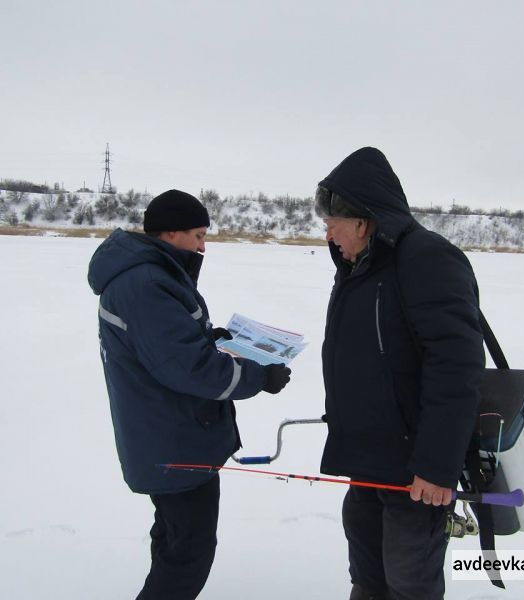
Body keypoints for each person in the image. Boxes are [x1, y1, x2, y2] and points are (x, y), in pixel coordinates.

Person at [87, 189, 291, 599]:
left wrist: (211, 339)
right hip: (174, 444)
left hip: (171, 437)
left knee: (174, 543)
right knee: (188, 556)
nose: (203, 246)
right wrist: (259, 377)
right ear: (171, 234)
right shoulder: (144, 284)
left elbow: (169, 349)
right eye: (198, 236)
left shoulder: (152, 274)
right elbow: (190, 369)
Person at [315, 148, 485, 600]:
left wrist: (436, 464)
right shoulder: (358, 268)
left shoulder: (427, 259)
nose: (327, 233)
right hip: (367, 463)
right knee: (368, 577)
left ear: (362, 220)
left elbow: (457, 367)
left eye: (333, 222)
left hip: (415, 473)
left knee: (409, 582)